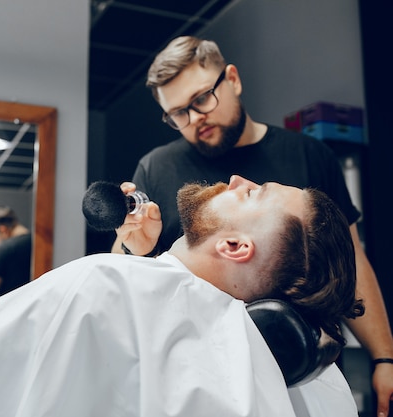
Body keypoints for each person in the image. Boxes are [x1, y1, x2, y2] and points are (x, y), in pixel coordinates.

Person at [0, 177, 364, 416]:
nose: (237, 180)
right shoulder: (285, 365)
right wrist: (140, 260)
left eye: (254, 192)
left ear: (235, 246)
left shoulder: (107, 285)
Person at [111, 35, 393, 415]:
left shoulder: (308, 156)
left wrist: (384, 358)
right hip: (199, 384)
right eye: (178, 114)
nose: (195, 119)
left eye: (200, 99)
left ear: (233, 79)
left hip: (302, 375)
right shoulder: (157, 167)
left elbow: (350, 261)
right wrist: (134, 248)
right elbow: (128, 269)